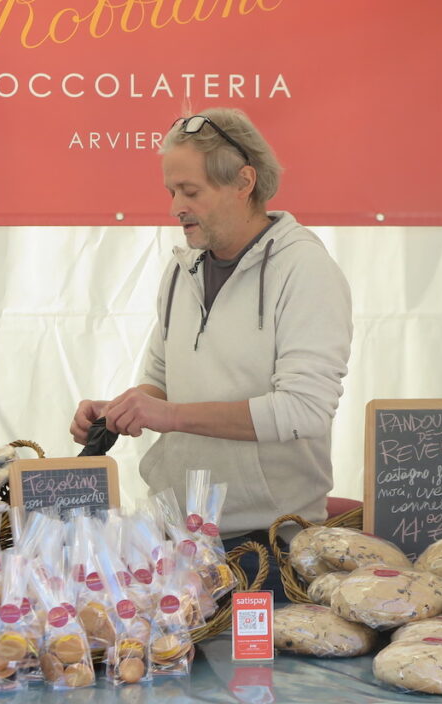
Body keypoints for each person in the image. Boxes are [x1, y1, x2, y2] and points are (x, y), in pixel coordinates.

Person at [70, 107, 353, 568]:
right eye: (171, 191)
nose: (175, 207)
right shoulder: (184, 268)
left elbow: (305, 409)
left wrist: (170, 414)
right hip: (179, 538)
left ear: (243, 182)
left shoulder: (306, 271)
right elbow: (159, 379)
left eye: (190, 191)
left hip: (268, 549)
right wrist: (123, 407)